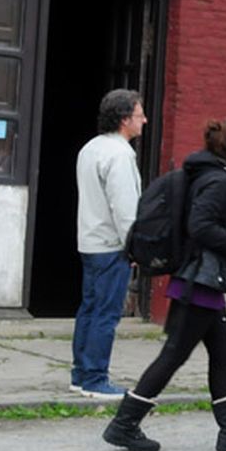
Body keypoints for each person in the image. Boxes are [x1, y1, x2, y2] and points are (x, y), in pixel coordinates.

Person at [103, 117, 226, 451]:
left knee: (223, 351)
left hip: (202, 281)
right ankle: (124, 424)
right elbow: (201, 226)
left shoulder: (212, 174)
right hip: (200, 282)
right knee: (174, 355)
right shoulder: (218, 181)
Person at [71, 89, 146, 400]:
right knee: (106, 313)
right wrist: (135, 248)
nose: (144, 119)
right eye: (139, 114)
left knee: (89, 309)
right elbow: (125, 207)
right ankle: (95, 377)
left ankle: (80, 373)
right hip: (111, 244)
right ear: (125, 119)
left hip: (89, 240)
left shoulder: (90, 148)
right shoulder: (120, 154)